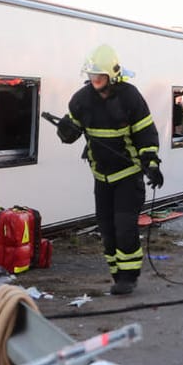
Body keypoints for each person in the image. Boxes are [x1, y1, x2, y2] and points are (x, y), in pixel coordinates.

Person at [54, 43, 162, 296]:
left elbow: (146, 133)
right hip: (101, 175)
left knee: (125, 226)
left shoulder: (130, 97)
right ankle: (116, 274)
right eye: (91, 76)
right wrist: (65, 130)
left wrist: (152, 164)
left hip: (127, 174)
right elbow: (70, 131)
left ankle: (129, 276)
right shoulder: (82, 100)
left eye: (99, 76)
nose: (95, 81)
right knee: (107, 228)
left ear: (112, 76)